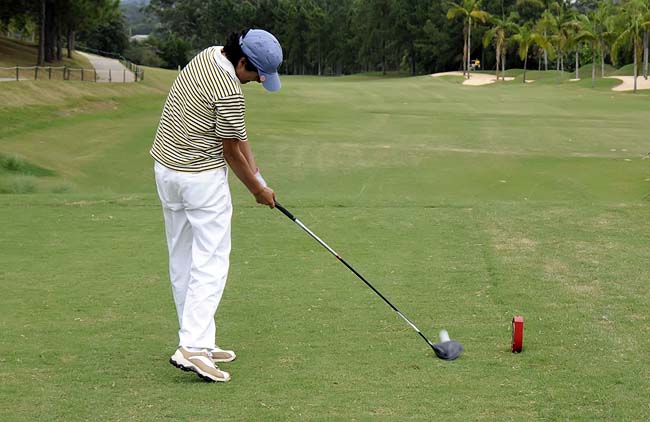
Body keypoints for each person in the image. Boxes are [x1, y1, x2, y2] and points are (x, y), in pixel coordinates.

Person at [150, 29, 282, 382]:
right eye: (256, 75)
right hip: (199, 180)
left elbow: (239, 136)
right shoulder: (230, 90)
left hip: (166, 170)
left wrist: (259, 176)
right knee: (210, 260)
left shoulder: (209, 54)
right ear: (242, 62)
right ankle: (192, 346)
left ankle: (198, 342)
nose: (256, 82)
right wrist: (257, 189)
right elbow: (229, 152)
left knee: (182, 257)